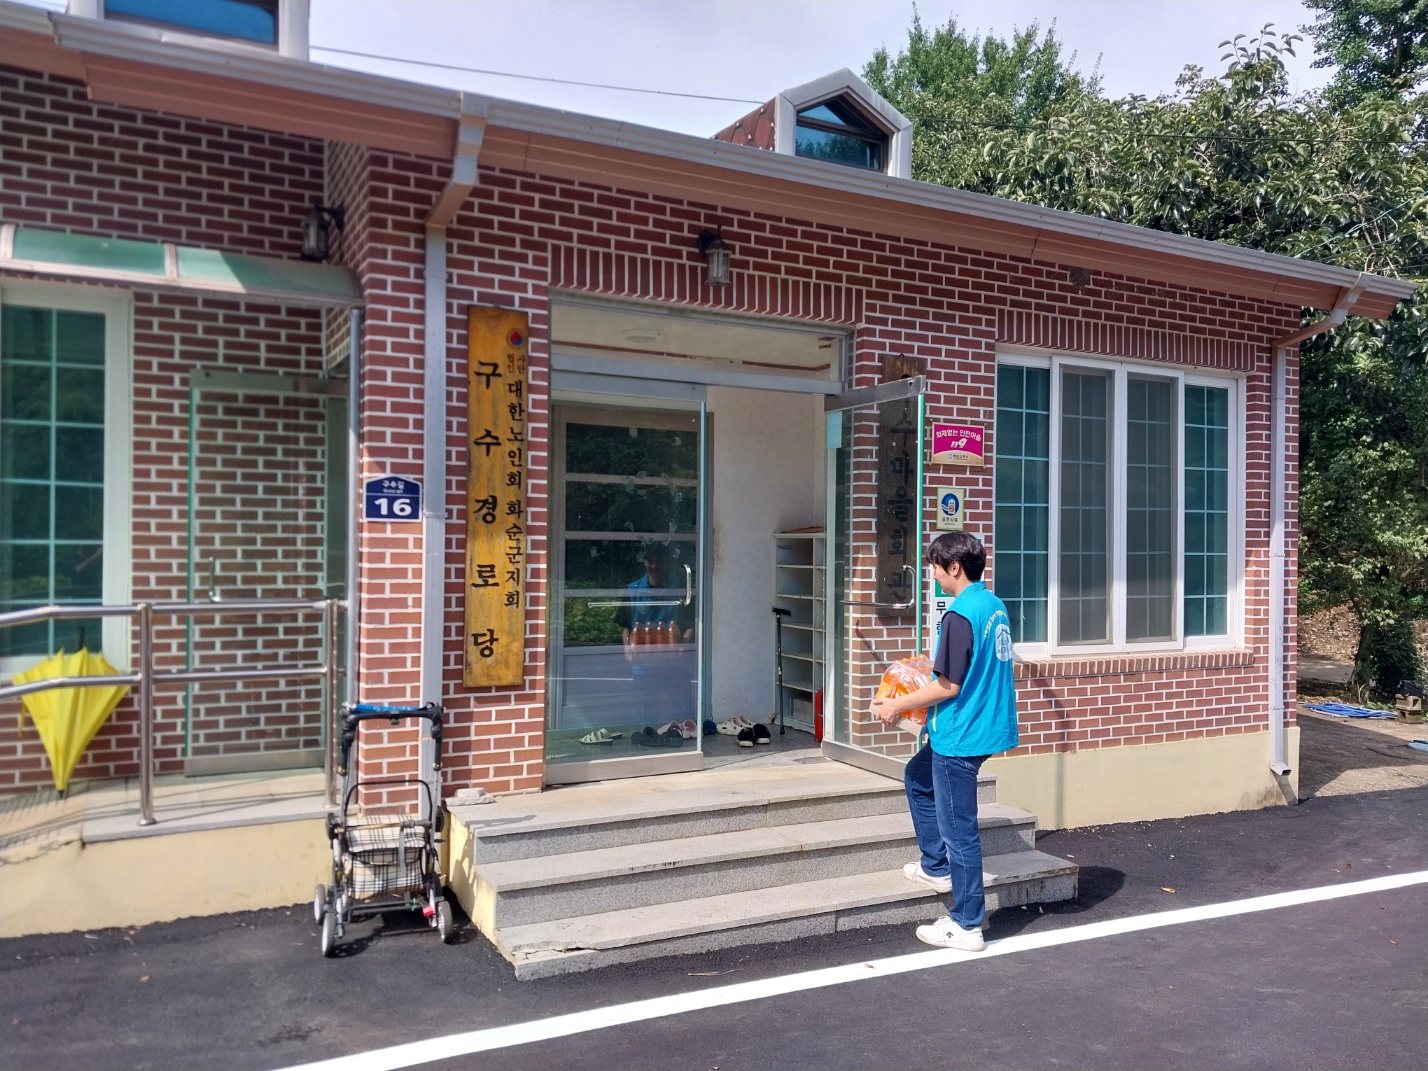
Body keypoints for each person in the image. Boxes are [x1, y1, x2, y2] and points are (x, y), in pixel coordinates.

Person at [869, 531, 1017, 952]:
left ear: (954, 567)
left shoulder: (959, 614)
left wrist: (896, 706)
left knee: (960, 830)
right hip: (983, 726)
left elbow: (949, 686)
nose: (932, 574)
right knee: (918, 778)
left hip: (960, 734)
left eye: (935, 567)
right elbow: (972, 669)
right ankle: (935, 866)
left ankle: (967, 923)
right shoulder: (994, 606)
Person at [614, 543, 694, 727]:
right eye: (650, 561)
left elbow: (690, 624)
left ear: (667, 562)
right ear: (645, 562)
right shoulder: (633, 590)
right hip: (644, 662)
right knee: (647, 710)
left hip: (673, 662)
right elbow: (626, 626)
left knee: (684, 708)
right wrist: (627, 650)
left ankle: (685, 736)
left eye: (660, 561)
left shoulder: (680, 589)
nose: (655, 565)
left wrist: (684, 644)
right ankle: (649, 736)